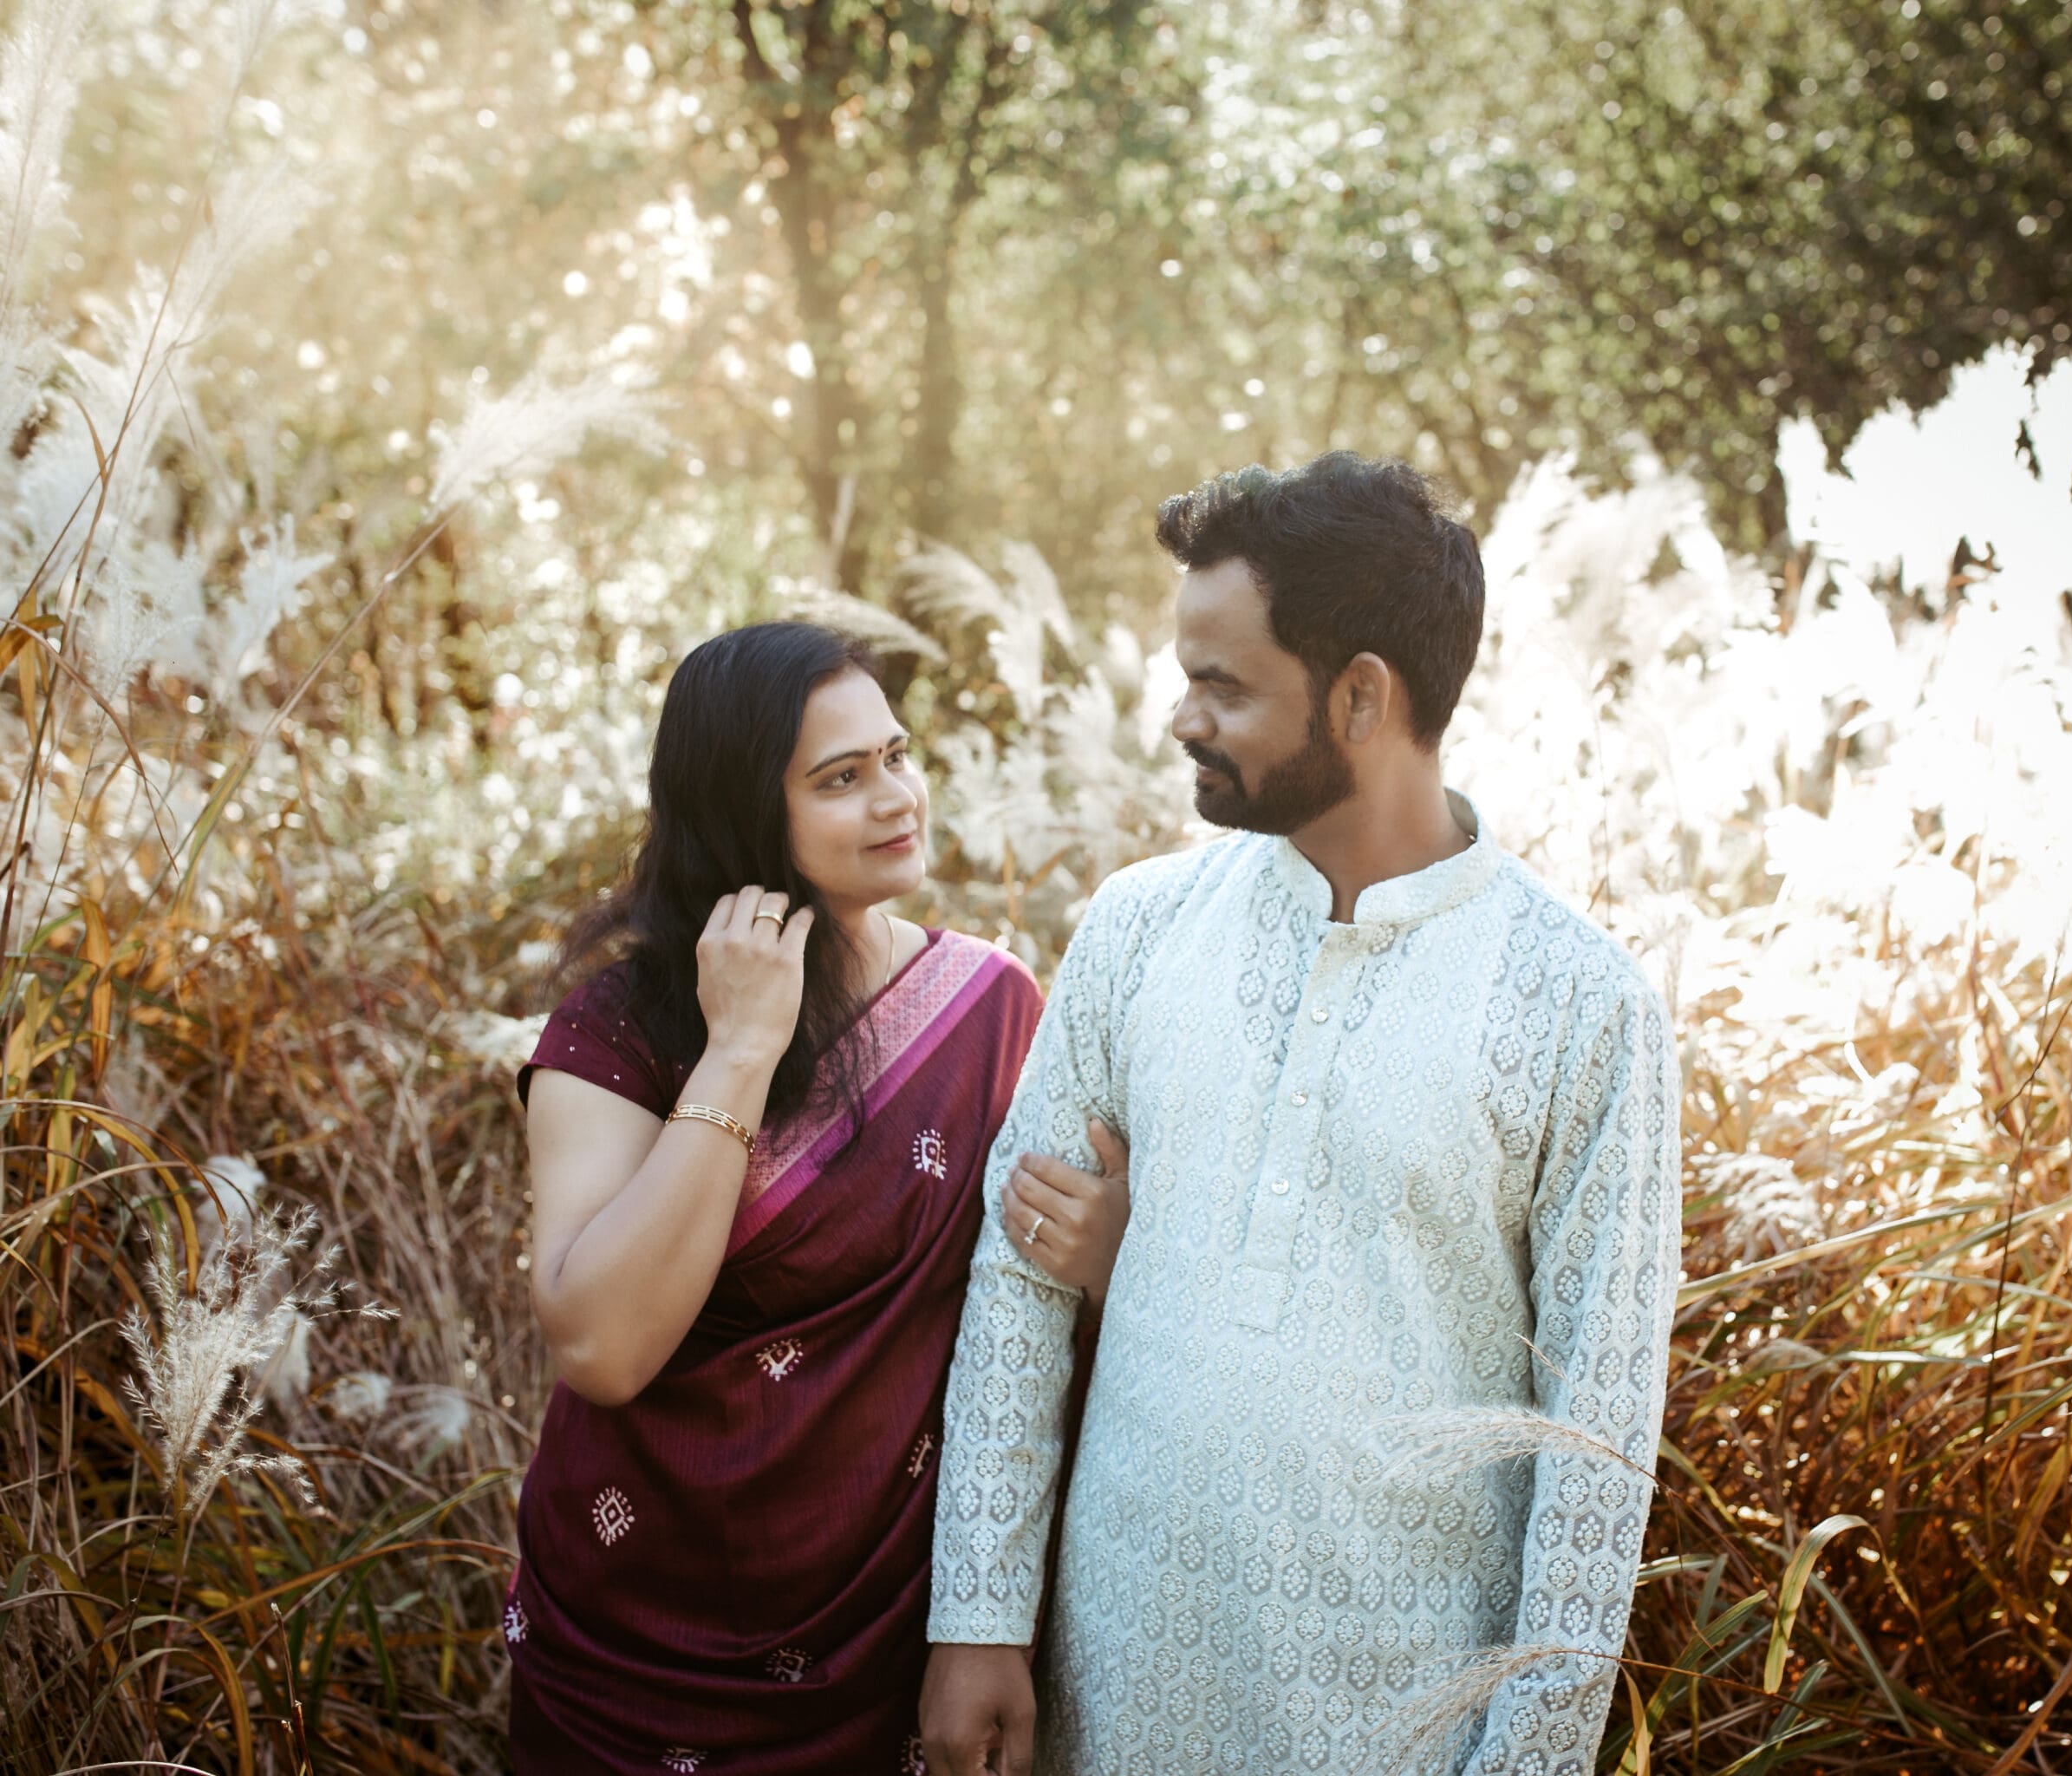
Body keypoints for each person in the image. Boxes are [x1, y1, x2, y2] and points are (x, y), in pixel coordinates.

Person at [922, 454, 1682, 1775]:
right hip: (1112, 1696)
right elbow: (1017, 1273)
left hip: (1398, 1728)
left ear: (1364, 696)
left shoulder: (1582, 1006)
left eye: (1223, 685)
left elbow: (1596, 1445)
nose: (1181, 717)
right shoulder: (1139, 930)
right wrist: (978, 1620)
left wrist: (1528, 1761)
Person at [502, 622, 1128, 1775]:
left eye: (897, 755)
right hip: (634, 1644)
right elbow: (603, 1345)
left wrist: (1106, 1259)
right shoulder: (622, 1029)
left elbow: (1036, 1314)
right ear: (745, 810)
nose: (897, 797)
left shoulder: (989, 1005)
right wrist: (740, 1047)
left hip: (877, 1637)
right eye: (841, 780)